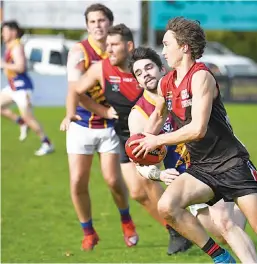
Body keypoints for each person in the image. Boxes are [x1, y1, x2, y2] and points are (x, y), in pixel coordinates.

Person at [130, 17, 257, 263]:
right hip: (201, 168)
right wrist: (141, 144)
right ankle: (222, 258)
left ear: (184, 47)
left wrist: (157, 142)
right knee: (168, 207)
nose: (163, 51)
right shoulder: (166, 84)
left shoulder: (202, 77)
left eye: (166, 44)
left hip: (232, 164)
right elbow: (158, 117)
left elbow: (198, 129)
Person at [60, 23, 191, 255]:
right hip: (126, 136)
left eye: (114, 45)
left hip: (159, 130)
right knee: (139, 192)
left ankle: (185, 225)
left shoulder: (146, 69)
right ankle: (176, 229)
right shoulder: (102, 69)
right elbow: (76, 90)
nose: (108, 49)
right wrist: (97, 113)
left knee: (157, 182)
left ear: (128, 46)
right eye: (107, 45)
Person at [59, 4, 138, 250]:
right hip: (82, 123)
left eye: (101, 20)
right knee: (78, 181)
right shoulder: (79, 51)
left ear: (110, 23)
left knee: (113, 180)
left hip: (111, 127)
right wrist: (70, 114)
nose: (97, 26)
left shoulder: (121, 51)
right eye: (92, 22)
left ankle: (126, 220)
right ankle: (89, 231)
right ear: (86, 26)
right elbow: (75, 89)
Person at [0, 20, 54, 156]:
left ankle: (47, 143)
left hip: (22, 88)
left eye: (5, 31)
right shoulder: (9, 46)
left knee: (30, 118)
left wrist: (3, 65)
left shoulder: (17, 47)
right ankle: (21, 122)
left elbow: (21, 67)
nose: (2, 34)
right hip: (12, 87)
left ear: (13, 32)